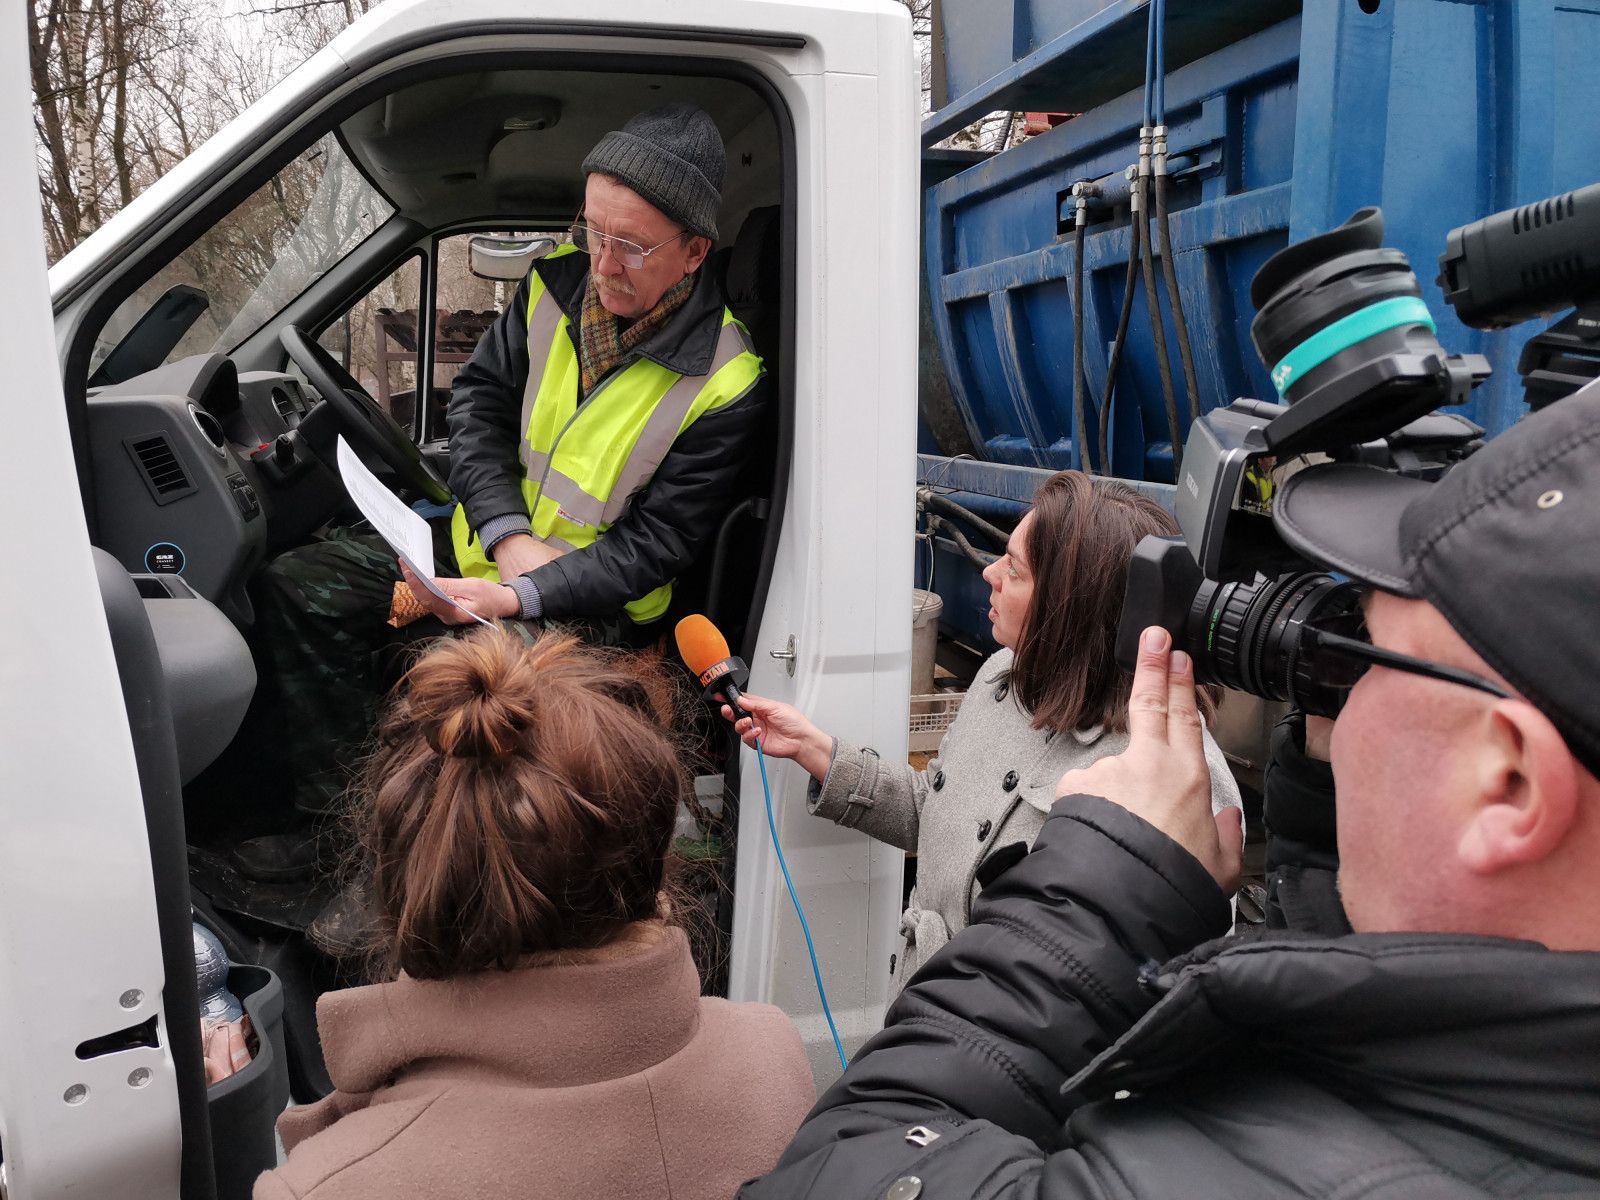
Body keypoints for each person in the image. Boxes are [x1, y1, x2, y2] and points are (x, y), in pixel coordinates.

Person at [737, 388, 1600, 1198]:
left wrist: (1113, 879)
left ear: (1512, 778)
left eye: (1364, 658)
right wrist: (827, 758)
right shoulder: (1002, 683)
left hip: (998, 1103)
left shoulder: (1170, 801)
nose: (1324, 712)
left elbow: (855, 1162)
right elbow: (941, 820)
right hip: (935, 1045)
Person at [241, 101, 767, 879]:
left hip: (597, 612)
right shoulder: (548, 291)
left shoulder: (729, 379)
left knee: (466, 694)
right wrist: (504, 536)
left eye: (630, 245)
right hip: (475, 553)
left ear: (694, 252)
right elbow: (479, 411)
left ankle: (423, 872)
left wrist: (524, 591)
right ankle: (333, 838)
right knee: (295, 587)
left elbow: (660, 546)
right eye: (593, 230)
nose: (604, 262)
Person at [254, 628, 814, 1200]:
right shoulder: (771, 1050)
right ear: (654, 865)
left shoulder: (334, 1185)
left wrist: (228, 1127)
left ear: (404, 884)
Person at [726, 471, 1240, 988]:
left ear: (1071, 610)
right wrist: (815, 750)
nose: (990, 573)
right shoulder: (1003, 676)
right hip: (924, 1008)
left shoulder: (1176, 780)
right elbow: (938, 815)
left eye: (1015, 569)